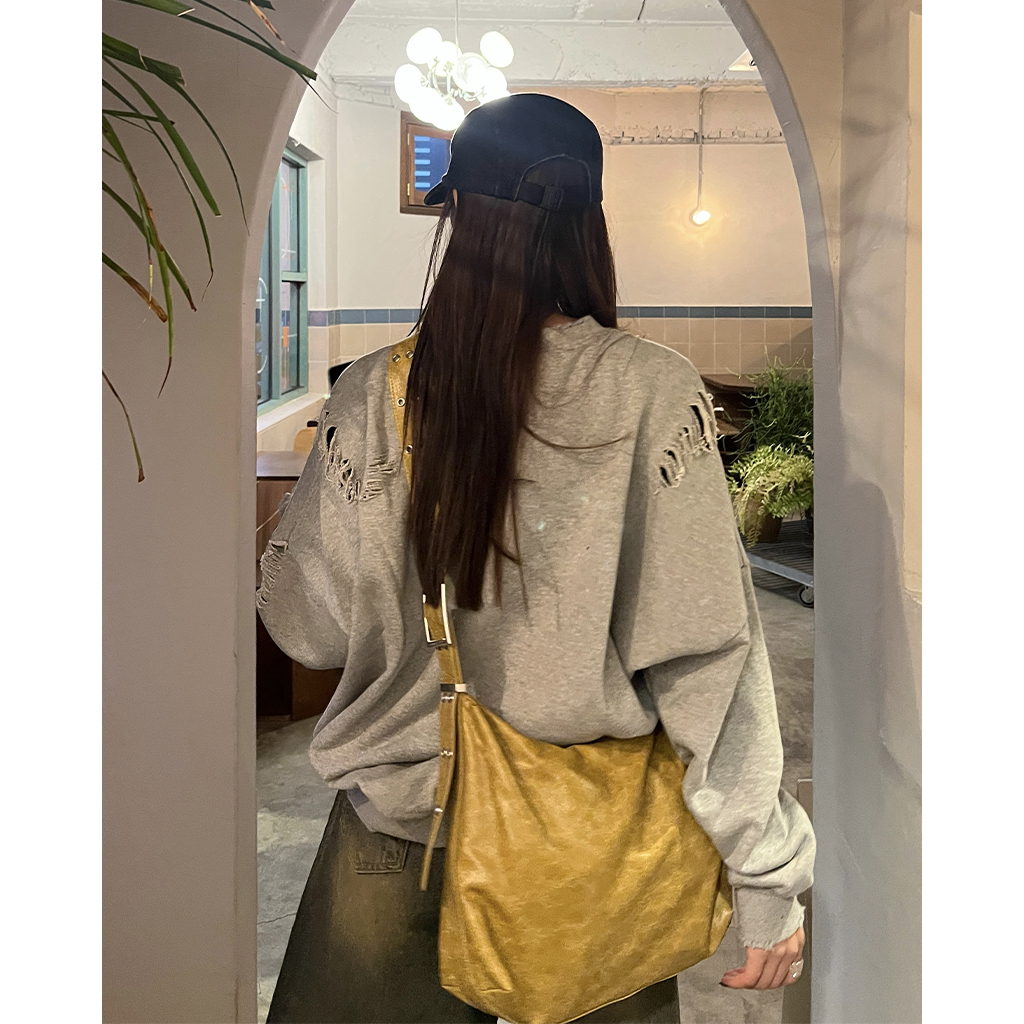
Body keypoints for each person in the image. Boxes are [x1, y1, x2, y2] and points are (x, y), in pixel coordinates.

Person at [257, 93, 815, 1024]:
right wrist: (765, 872)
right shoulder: (652, 391)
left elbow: (306, 630)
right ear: (588, 226)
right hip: (590, 852)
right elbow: (709, 654)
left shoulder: (371, 398)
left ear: (457, 217)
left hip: (397, 841)